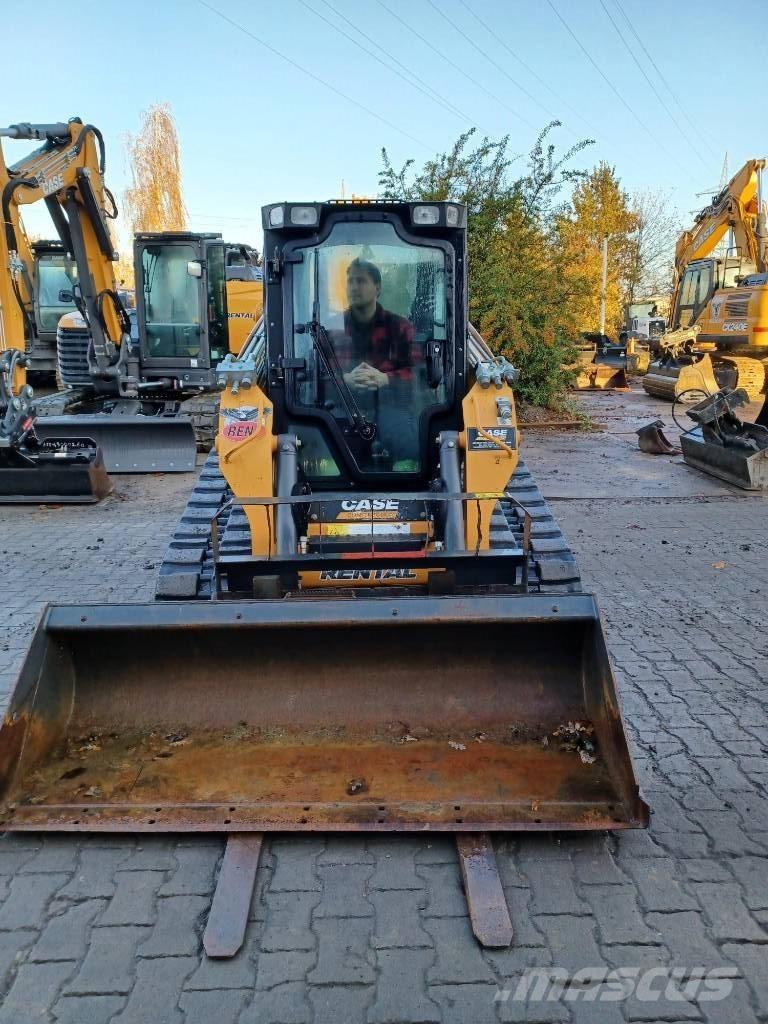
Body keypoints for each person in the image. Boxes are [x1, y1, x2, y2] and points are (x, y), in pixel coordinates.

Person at [336, 258, 419, 391]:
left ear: (378, 288)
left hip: (391, 408)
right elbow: (315, 377)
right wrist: (346, 380)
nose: (354, 287)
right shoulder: (333, 327)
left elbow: (418, 374)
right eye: (350, 281)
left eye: (361, 281)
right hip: (337, 409)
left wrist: (386, 379)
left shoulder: (400, 327)